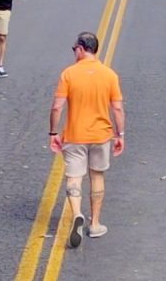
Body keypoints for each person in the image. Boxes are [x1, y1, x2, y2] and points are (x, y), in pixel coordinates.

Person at [49, 31, 125, 248]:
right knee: (97, 176)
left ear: (81, 49)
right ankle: (95, 224)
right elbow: (117, 108)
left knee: (74, 178)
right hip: (101, 135)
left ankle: (76, 215)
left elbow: (57, 107)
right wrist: (120, 135)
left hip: (75, 135)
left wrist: (53, 133)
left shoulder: (68, 74)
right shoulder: (109, 75)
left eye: (74, 49)